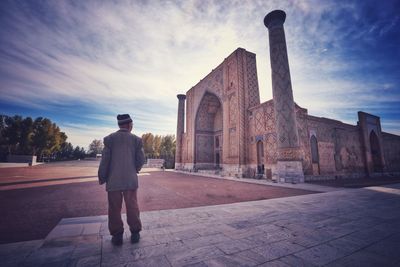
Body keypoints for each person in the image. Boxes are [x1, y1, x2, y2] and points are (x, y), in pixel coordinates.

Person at [98, 114, 145, 246]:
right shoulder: (136, 140)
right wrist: (134, 169)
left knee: (114, 208)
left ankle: (117, 236)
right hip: (130, 180)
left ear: (119, 125)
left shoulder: (109, 139)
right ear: (129, 125)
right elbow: (141, 159)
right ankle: (135, 233)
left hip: (113, 180)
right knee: (132, 207)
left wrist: (102, 176)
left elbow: (105, 161)